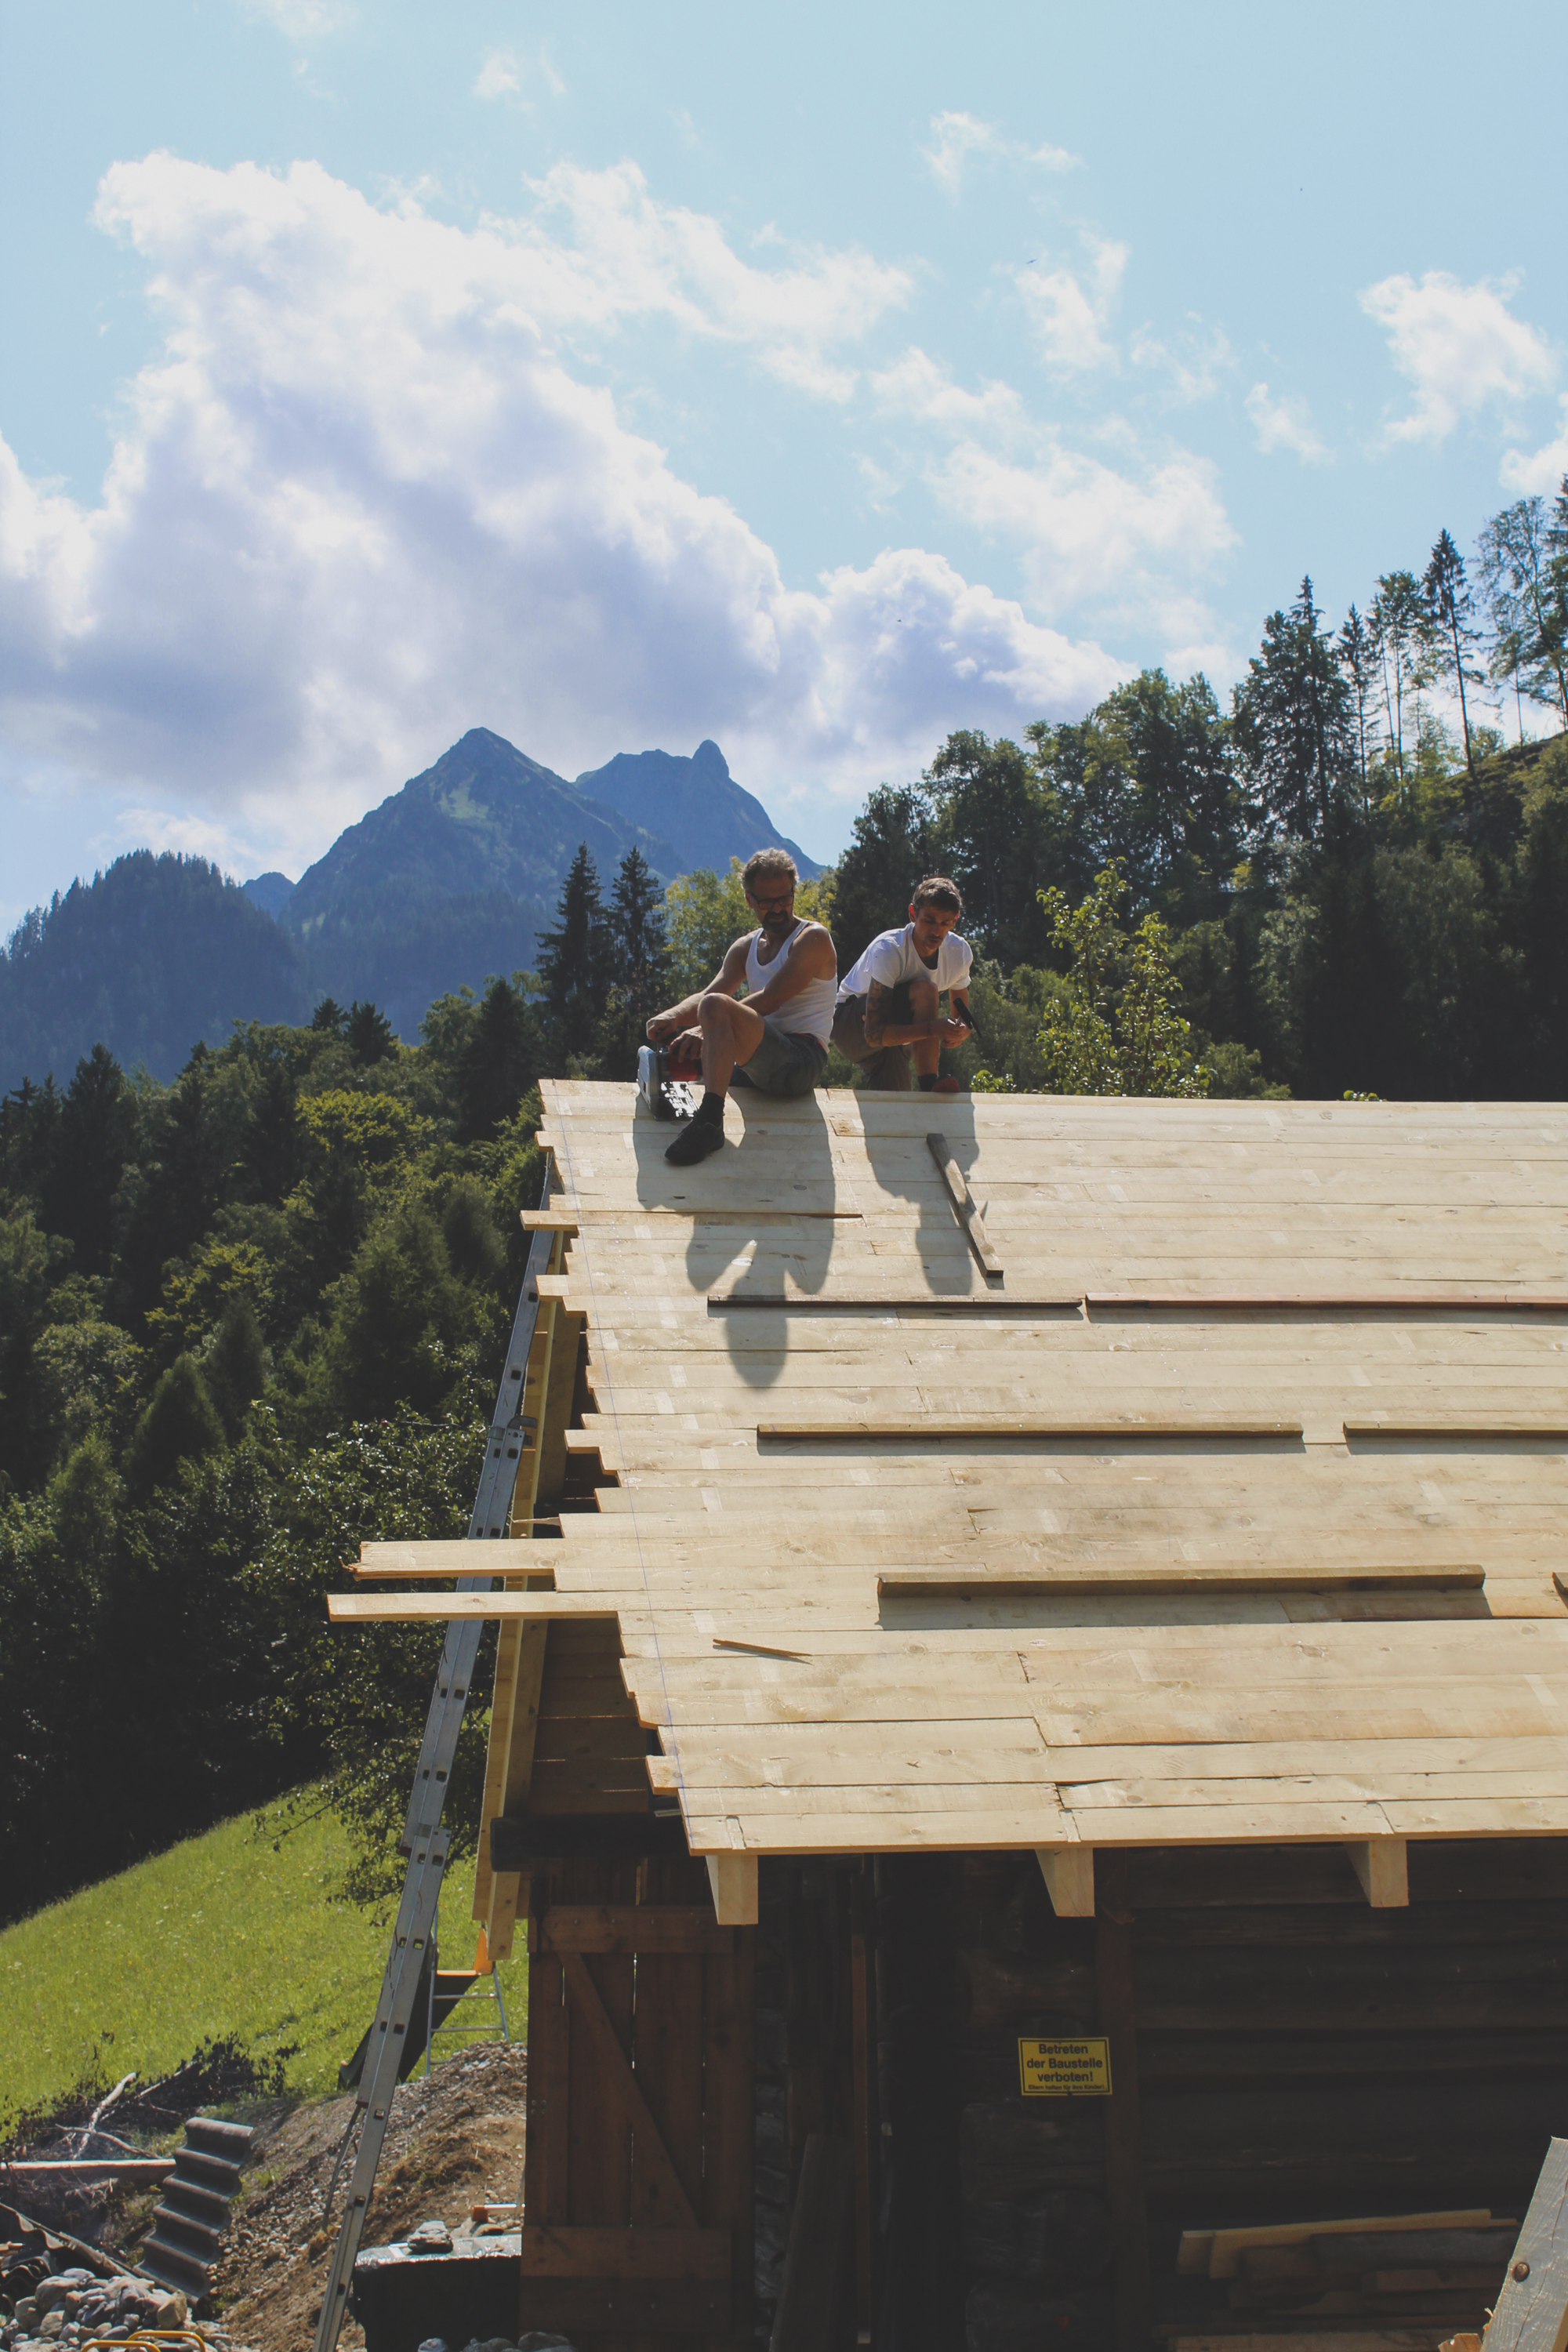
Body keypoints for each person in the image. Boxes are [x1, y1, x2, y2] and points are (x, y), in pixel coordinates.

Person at [644, 848, 837, 1165]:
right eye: (766, 901)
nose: (777, 909)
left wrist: (703, 1029)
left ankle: (709, 1124)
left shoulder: (813, 938)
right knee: (697, 1040)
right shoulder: (746, 947)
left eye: (784, 899)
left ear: (793, 892)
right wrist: (672, 1017)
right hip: (758, 1063)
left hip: (802, 1061)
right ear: (749, 899)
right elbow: (709, 995)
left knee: (715, 1011)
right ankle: (694, 1100)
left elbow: (772, 998)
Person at [831, 876, 974, 1092]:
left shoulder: (959, 953)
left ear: (955, 920)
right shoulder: (889, 950)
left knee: (895, 1110)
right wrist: (933, 1029)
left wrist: (961, 1031)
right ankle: (929, 1085)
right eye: (929, 921)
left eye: (944, 923)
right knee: (926, 990)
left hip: (894, 1038)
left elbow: (963, 1015)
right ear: (913, 914)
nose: (936, 931)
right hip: (850, 1024)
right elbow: (874, 1035)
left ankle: (925, 1104)